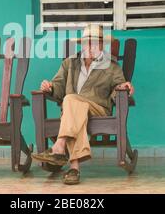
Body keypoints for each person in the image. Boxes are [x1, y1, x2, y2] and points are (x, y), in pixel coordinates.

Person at [31, 24, 134, 185]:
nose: (90, 46)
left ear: (101, 45)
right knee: (73, 107)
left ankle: (59, 146)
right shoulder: (69, 63)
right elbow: (57, 86)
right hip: (73, 113)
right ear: (82, 44)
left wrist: (122, 87)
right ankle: (74, 168)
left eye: (95, 42)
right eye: (87, 42)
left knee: (71, 100)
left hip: (98, 109)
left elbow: (118, 88)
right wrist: (49, 87)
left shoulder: (112, 66)